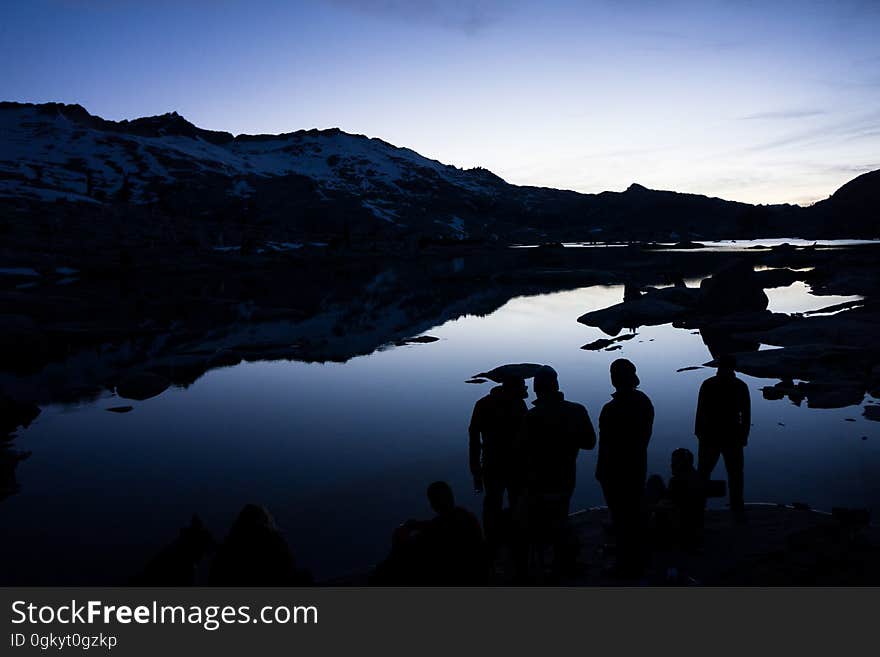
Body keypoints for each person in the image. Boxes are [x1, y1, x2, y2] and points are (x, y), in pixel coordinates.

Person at [516, 365, 596, 577]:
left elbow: (521, 453)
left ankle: (543, 568)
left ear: (536, 389)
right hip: (566, 478)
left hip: (537, 482)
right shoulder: (577, 410)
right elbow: (590, 443)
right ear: (557, 385)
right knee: (560, 519)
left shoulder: (530, 417)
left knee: (538, 526)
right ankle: (563, 564)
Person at [596, 358, 654, 577]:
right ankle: (635, 556)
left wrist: (601, 471)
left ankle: (626, 564)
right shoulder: (644, 401)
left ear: (615, 379)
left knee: (622, 517)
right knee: (633, 514)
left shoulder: (611, 409)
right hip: (636, 466)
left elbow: (606, 444)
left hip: (615, 471)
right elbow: (643, 437)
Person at [373, 481, 487, 585]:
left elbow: (434, 532)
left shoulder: (435, 533)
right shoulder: (467, 517)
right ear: (452, 497)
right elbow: (441, 524)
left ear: (433, 505)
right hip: (478, 576)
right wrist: (417, 525)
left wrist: (400, 538)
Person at [469, 376, 528, 550]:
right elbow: (527, 438)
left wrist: (475, 470)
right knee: (514, 503)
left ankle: (492, 541)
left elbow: (473, 439)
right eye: (523, 387)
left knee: (492, 504)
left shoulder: (482, 404)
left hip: (492, 465)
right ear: (514, 388)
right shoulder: (518, 405)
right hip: (512, 466)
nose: (526, 390)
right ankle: (514, 540)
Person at [694, 353, 750, 521]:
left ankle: (699, 508)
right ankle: (736, 507)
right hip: (730, 435)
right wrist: (744, 435)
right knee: (734, 474)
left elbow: (700, 412)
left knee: (705, 473)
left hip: (712, 435)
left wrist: (699, 433)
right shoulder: (740, 385)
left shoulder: (708, 384)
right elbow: (746, 415)